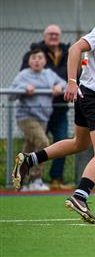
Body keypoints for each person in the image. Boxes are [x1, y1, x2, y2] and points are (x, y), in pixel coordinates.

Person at [12, 0, 95, 224]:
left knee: (80, 143)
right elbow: (76, 48)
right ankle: (80, 196)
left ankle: (30, 160)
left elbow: (93, 61)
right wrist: (70, 81)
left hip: (89, 94)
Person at [20, 24, 71, 190]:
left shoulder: (68, 53)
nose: (54, 36)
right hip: (37, 111)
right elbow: (25, 76)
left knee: (62, 142)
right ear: (44, 36)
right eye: (50, 34)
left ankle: (56, 179)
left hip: (60, 108)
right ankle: (29, 180)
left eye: (56, 34)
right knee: (38, 143)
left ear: (60, 36)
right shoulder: (35, 53)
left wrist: (61, 87)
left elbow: (69, 78)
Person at [10, 49, 67, 191]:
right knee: (43, 143)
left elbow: (65, 84)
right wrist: (23, 88)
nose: (36, 60)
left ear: (45, 61)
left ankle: (20, 182)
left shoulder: (49, 74)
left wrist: (59, 87)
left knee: (28, 150)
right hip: (26, 117)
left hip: (44, 118)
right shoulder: (23, 76)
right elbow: (10, 95)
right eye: (33, 58)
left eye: (40, 57)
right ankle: (36, 179)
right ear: (29, 61)